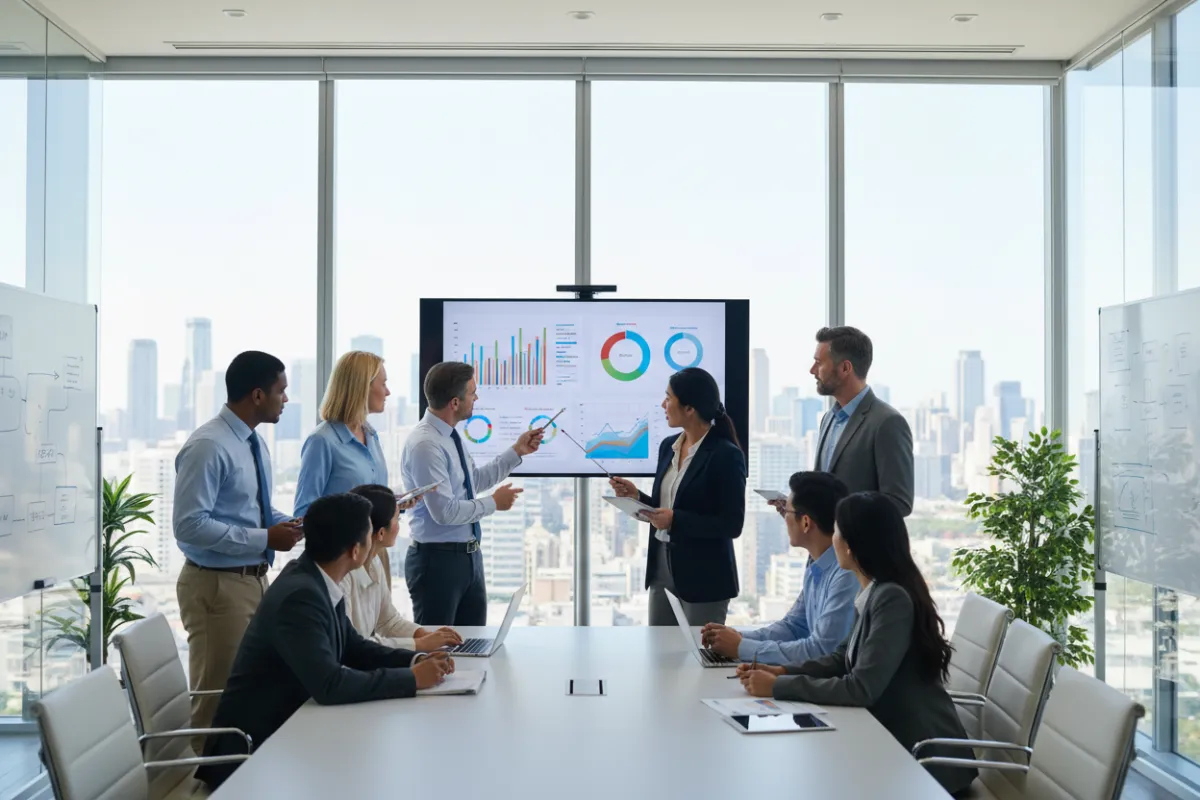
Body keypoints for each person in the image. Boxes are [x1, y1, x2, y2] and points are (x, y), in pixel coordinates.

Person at [197, 492, 455, 790]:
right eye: (370, 534)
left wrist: (414, 661)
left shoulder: (316, 578)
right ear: (355, 550)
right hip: (252, 758)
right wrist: (410, 679)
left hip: (290, 735)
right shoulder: (301, 596)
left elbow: (354, 647)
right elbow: (330, 685)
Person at [738, 492, 976, 796]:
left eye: (837, 530)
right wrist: (781, 671)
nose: (832, 537)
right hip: (892, 743)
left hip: (924, 762)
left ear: (851, 545)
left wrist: (777, 688)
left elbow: (861, 688)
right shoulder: (875, 591)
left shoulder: (892, 599)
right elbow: (840, 658)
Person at [173, 351, 305, 745]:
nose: (286, 400)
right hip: (217, 587)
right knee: (217, 697)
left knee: (247, 692)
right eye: (281, 391)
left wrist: (295, 524)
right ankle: (201, 786)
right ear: (258, 395)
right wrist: (267, 538)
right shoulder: (209, 445)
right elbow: (189, 525)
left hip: (250, 582)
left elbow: (254, 510)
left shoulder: (252, 443)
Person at [401, 361, 544, 626]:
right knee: (439, 652)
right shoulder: (426, 445)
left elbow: (472, 481)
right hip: (437, 563)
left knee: (473, 646)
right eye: (472, 392)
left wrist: (517, 451)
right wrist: (493, 504)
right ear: (455, 402)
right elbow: (444, 512)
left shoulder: (448, 437)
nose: (476, 398)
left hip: (468, 559)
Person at [610, 367, 746, 627]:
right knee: (659, 657)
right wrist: (636, 496)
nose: (663, 404)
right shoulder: (668, 447)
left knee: (701, 657)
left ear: (689, 409)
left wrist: (675, 521)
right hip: (662, 568)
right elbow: (667, 508)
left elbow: (731, 524)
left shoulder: (725, 455)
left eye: (669, 397)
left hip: (704, 576)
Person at [699, 471, 857, 665]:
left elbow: (821, 650)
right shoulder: (818, 567)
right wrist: (738, 638)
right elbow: (793, 627)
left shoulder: (846, 576)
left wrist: (742, 647)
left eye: (787, 512)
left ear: (806, 522)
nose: (784, 519)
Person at [344, 484, 463, 651]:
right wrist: (419, 645)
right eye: (397, 519)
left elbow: (387, 621)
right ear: (380, 533)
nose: (399, 526)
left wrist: (424, 634)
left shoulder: (375, 561)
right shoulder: (342, 576)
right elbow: (351, 646)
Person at [810, 326, 914, 516]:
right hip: (828, 545)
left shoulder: (887, 423)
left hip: (863, 545)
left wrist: (846, 516)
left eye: (818, 363)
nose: (812, 370)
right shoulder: (828, 419)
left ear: (845, 368)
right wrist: (801, 508)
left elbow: (899, 502)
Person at [294, 350, 395, 518]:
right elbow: (304, 512)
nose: (388, 392)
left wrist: (394, 503)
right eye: (383, 384)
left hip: (373, 543)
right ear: (363, 387)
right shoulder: (322, 441)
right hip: (341, 544)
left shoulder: (370, 435)